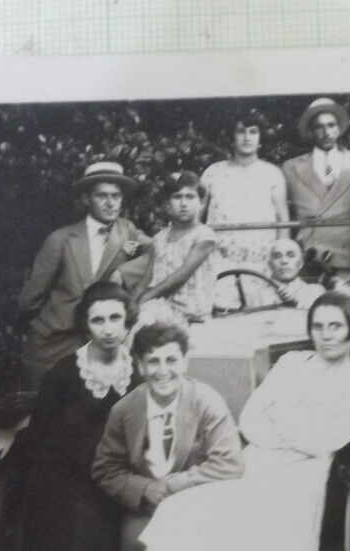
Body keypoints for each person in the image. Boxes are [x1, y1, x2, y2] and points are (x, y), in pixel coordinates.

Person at [88, 293, 350, 551]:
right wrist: (286, 432)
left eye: (335, 327)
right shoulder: (291, 363)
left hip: (294, 489)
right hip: (253, 468)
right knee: (179, 513)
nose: (325, 335)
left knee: (190, 544)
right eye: (319, 326)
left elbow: (324, 440)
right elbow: (253, 419)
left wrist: (280, 428)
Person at [20, 282, 141, 551]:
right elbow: (40, 437)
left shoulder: (137, 370)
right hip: (62, 477)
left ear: (127, 322)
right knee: (77, 522)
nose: (108, 328)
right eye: (98, 320)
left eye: (115, 319)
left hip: (116, 478)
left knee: (89, 524)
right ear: (86, 326)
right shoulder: (66, 373)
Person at [91, 321, 244, 551]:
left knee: (189, 544)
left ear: (185, 361)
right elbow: (105, 469)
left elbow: (230, 463)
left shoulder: (205, 400)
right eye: (153, 362)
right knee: (135, 540)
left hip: (196, 503)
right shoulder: (124, 411)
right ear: (139, 365)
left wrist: (173, 485)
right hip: (147, 507)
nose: (163, 371)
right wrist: (145, 489)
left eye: (172, 360)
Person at [17, 161, 150, 387]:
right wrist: (51, 323)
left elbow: (155, 251)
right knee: (45, 411)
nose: (110, 203)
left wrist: (123, 273)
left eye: (116, 196)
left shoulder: (127, 231)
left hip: (102, 340)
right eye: (102, 196)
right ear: (87, 199)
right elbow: (29, 300)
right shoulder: (60, 239)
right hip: (56, 340)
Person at [202, 110, 289, 309]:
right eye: (241, 131)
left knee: (262, 315)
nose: (247, 137)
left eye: (253, 132)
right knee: (221, 315)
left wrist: (280, 260)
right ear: (232, 137)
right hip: (219, 262)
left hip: (261, 264)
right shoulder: (213, 173)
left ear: (260, 138)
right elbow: (198, 217)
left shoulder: (272, 174)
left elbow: (283, 220)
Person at [282, 97, 350, 275]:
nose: (326, 132)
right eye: (319, 127)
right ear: (311, 131)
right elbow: (284, 214)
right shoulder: (291, 168)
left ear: (339, 128)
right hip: (307, 255)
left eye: (331, 125)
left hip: (348, 254)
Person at [136, 172, 219, 325]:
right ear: (167, 204)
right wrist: (134, 300)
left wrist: (145, 299)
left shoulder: (204, 236)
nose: (183, 203)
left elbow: (180, 276)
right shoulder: (160, 238)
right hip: (162, 309)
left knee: (142, 318)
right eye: (177, 197)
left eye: (190, 197)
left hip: (193, 315)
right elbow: (147, 276)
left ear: (201, 203)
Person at [267, 238, 325, 310]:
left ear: (300, 263)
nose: (284, 261)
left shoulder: (314, 291)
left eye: (291, 255)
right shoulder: (255, 295)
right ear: (270, 264)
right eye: (277, 256)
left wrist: (295, 303)